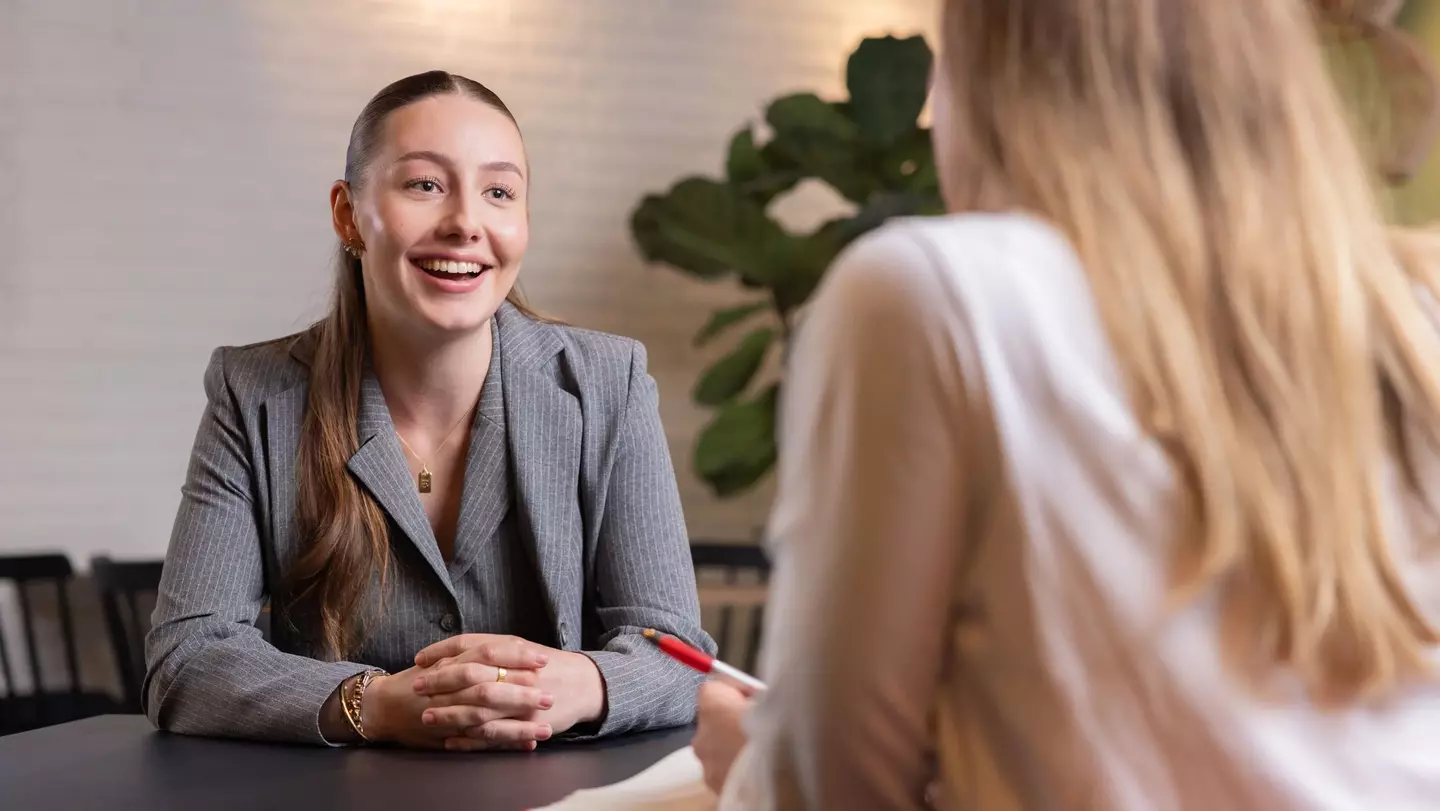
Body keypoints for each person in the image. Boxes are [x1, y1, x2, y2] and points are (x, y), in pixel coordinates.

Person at [693, 0, 1440, 808]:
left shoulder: (937, 296)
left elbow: (832, 793)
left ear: (993, 74)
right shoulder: (1411, 309)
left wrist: (749, 767)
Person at [144, 70, 714, 750]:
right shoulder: (255, 393)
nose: (466, 223)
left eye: (498, 191)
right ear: (348, 214)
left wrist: (574, 684)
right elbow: (186, 658)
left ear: (523, 220)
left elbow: (680, 654)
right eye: (425, 185)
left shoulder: (607, 383)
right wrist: (375, 702)